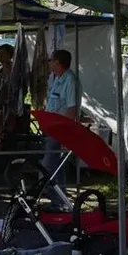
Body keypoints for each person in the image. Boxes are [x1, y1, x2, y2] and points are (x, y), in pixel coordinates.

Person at [43, 49, 77, 209]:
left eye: (51, 60)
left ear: (58, 62)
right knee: (56, 167)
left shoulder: (70, 80)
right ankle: (59, 200)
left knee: (49, 165)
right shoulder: (57, 78)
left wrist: (67, 136)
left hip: (61, 130)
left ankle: (56, 199)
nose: (49, 63)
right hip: (53, 129)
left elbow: (71, 109)